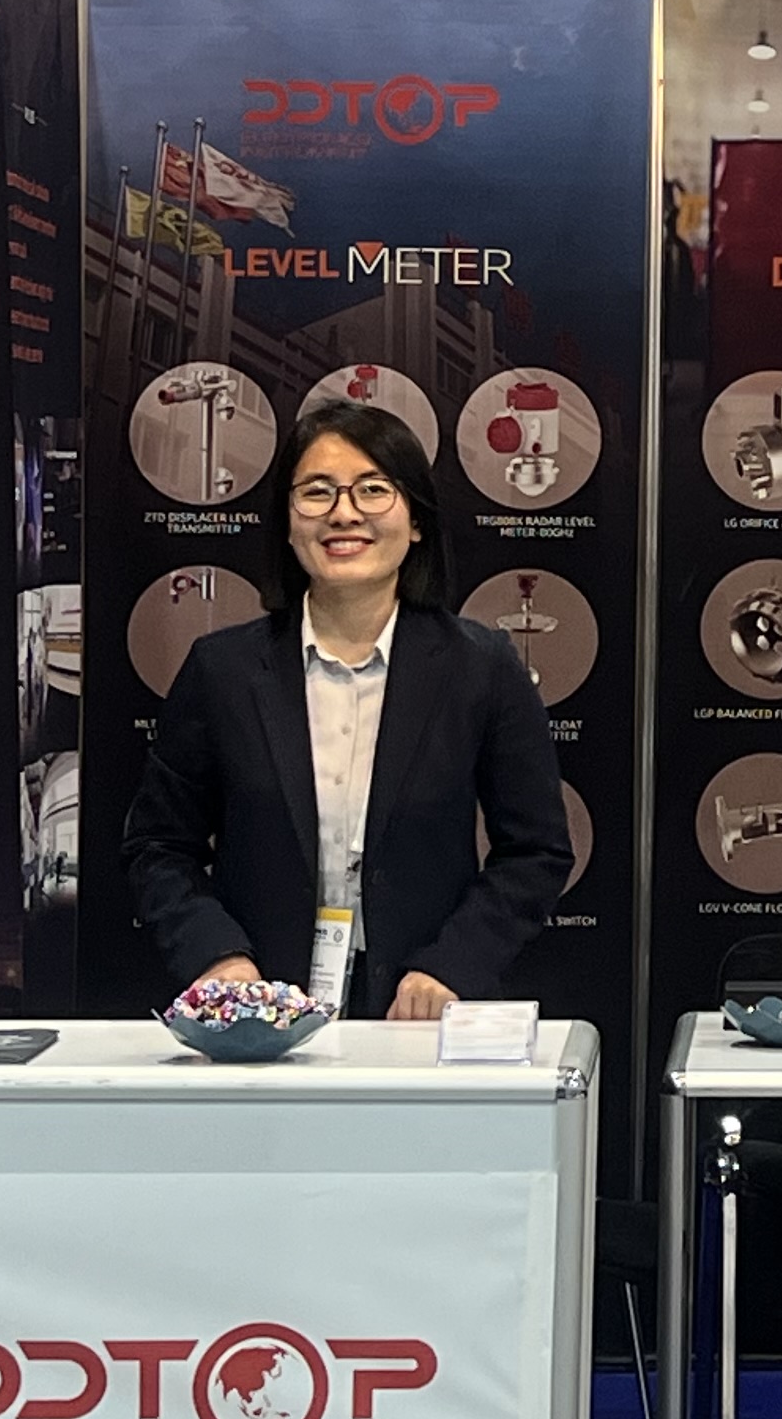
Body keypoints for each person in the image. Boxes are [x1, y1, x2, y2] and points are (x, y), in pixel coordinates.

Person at [122, 400, 571, 1019]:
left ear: (416, 520)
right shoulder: (221, 670)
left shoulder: (481, 668)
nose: (344, 513)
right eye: (317, 492)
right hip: (259, 1012)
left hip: (420, 1011)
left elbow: (536, 852)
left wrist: (451, 966)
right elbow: (158, 846)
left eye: (373, 489)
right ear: (287, 522)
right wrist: (218, 958)